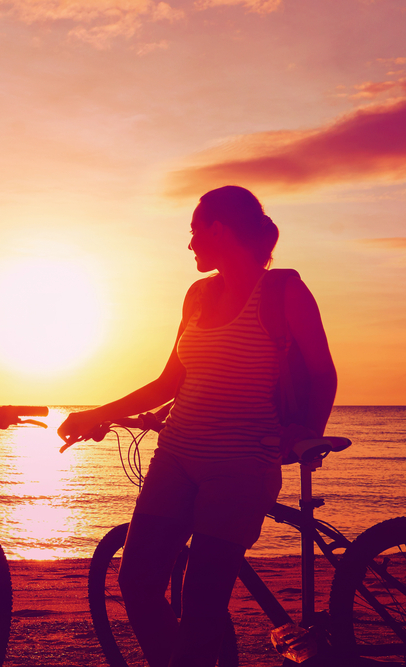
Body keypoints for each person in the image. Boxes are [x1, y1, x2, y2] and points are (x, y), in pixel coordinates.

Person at [57, 185, 337, 667]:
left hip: (243, 463)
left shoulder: (283, 289)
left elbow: (321, 372)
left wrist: (307, 432)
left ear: (219, 230)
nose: (189, 244)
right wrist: (96, 414)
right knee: (137, 582)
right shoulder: (197, 295)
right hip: (177, 455)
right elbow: (169, 381)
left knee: (202, 599)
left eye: (193, 231)